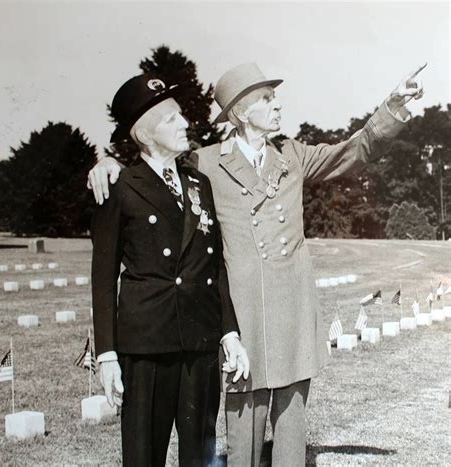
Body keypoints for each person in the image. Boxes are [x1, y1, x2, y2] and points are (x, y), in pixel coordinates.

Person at [89, 62, 425, 466]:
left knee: (291, 434)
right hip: (243, 317)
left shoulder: (294, 155)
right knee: (242, 438)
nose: (278, 106)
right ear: (242, 113)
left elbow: (352, 151)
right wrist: (107, 165)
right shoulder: (205, 163)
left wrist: (393, 106)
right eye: (267, 99)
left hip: (292, 311)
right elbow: (151, 174)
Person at [91, 73, 249, 467]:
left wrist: (229, 332)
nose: (185, 124)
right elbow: (103, 277)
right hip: (146, 345)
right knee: (145, 454)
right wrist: (107, 355)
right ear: (145, 134)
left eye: (182, 116)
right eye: (172, 119)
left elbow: (214, 265)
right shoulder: (120, 185)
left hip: (198, 341)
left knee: (200, 451)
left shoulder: (200, 183)